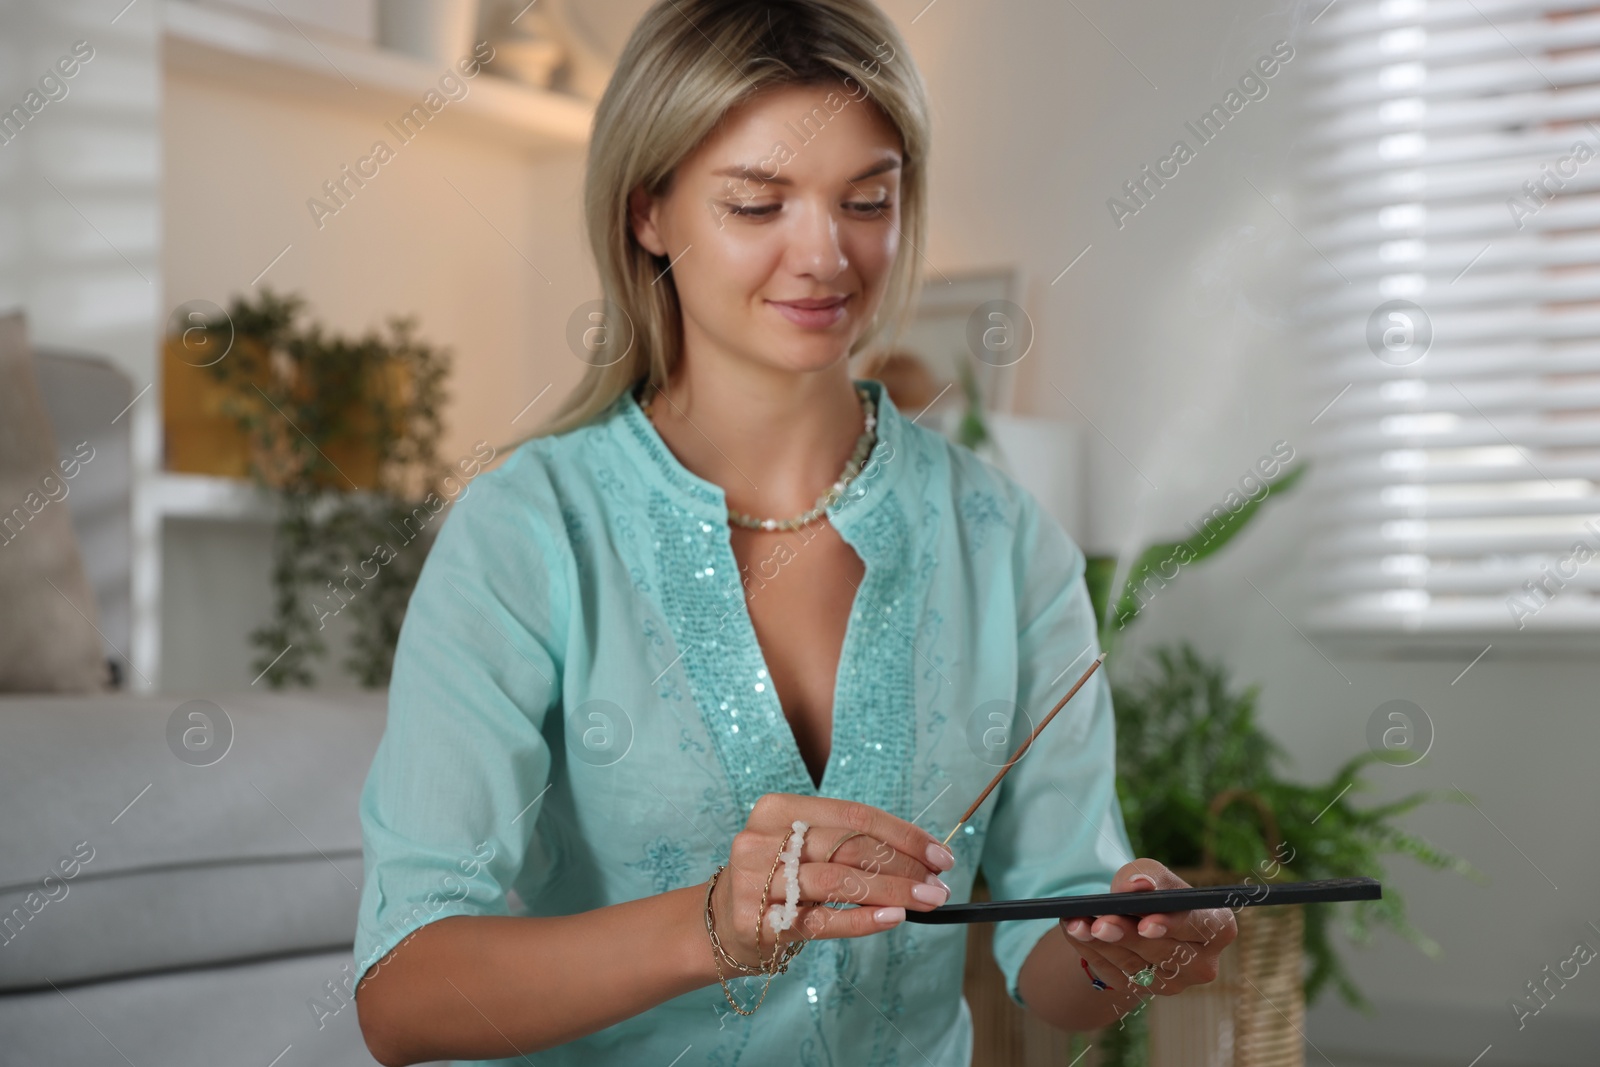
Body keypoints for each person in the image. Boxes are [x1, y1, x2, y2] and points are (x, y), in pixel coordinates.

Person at [352, 1, 1236, 1064]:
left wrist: (1120, 945)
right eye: (757, 203)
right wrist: (712, 926)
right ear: (647, 211)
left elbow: (1053, 953)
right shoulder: (528, 530)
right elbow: (402, 989)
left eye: (867, 200)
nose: (825, 255)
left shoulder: (1004, 537)